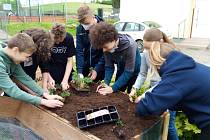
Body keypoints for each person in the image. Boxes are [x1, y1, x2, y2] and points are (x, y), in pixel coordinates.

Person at [135, 40, 210, 139]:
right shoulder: (187, 66)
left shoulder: (176, 77)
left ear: (157, 64)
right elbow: (182, 98)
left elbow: (147, 107)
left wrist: (140, 104)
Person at [129, 29, 179, 140]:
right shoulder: (146, 54)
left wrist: (144, 95)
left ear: (160, 41)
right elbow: (142, 74)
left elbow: (165, 82)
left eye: (149, 47)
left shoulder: (169, 54)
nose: (147, 51)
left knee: (169, 125)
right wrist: (134, 89)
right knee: (151, 122)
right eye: (145, 48)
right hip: (152, 90)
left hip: (168, 92)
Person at [0, 33, 63, 108]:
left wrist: (44, 94)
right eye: (26, 56)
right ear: (15, 50)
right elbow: (13, 91)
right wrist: (43, 101)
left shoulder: (11, 59)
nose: (26, 60)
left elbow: (25, 78)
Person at [89, 22, 141, 95]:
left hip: (134, 70)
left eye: (105, 47)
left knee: (130, 94)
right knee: (118, 91)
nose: (104, 50)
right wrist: (106, 84)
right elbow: (109, 67)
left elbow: (129, 71)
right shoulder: (107, 47)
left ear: (113, 39)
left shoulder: (130, 46)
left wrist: (113, 88)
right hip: (121, 68)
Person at [76, 5, 105, 81]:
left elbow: (105, 53)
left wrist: (96, 69)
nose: (85, 27)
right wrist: (80, 71)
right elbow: (79, 51)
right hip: (86, 67)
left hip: (100, 66)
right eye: (83, 24)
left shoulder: (103, 28)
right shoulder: (80, 29)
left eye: (87, 23)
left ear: (93, 17)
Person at [49, 23, 75, 90]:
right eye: (55, 40)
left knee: (68, 89)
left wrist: (65, 80)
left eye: (60, 41)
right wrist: (49, 78)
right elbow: (43, 62)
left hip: (65, 69)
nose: (57, 43)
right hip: (51, 69)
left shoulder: (69, 38)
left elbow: (70, 61)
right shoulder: (46, 39)